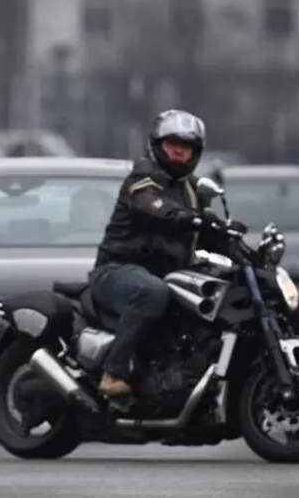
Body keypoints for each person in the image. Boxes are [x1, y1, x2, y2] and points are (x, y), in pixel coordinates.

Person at [88, 109, 231, 398]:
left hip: (167, 275)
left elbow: (204, 232)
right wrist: (190, 218)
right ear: (157, 145)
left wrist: (229, 237)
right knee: (151, 292)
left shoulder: (191, 188)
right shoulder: (143, 179)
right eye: (172, 143)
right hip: (117, 271)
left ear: (196, 151)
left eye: (186, 145)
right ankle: (114, 372)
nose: (179, 150)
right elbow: (157, 209)